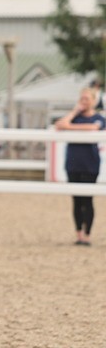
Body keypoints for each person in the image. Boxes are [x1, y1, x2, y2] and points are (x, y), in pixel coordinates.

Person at [55, 87, 106, 246]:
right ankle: (78, 234)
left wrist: (70, 127)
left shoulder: (99, 118)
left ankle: (87, 234)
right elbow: (59, 125)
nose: (84, 102)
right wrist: (74, 112)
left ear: (93, 100)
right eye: (81, 99)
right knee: (76, 200)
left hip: (90, 164)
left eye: (87, 99)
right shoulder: (75, 118)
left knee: (88, 199)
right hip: (73, 163)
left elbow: (93, 128)